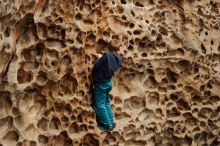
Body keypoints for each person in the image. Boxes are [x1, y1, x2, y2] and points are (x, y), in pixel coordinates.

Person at [91, 51, 122, 131]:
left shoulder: (106, 57)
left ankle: (107, 125)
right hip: (108, 83)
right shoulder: (117, 58)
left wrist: (99, 58)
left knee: (100, 105)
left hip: (101, 84)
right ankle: (111, 122)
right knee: (106, 103)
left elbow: (96, 66)